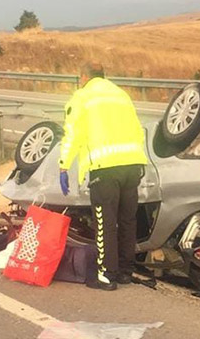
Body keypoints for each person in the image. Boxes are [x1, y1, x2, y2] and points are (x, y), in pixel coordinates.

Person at [59, 62, 148, 291]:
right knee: (128, 220)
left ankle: (106, 275)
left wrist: (64, 165)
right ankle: (126, 271)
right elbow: (138, 129)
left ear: (83, 77)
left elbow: (73, 134)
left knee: (105, 222)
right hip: (132, 164)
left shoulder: (83, 97)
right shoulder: (121, 95)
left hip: (104, 167)